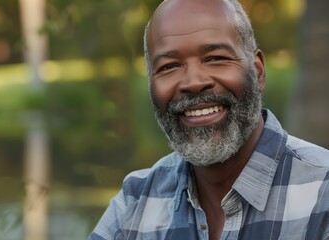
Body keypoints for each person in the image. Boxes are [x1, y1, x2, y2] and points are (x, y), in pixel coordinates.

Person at [89, 0, 329, 239]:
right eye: (169, 66)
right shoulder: (136, 202)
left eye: (215, 58)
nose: (193, 82)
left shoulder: (322, 190)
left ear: (257, 71)